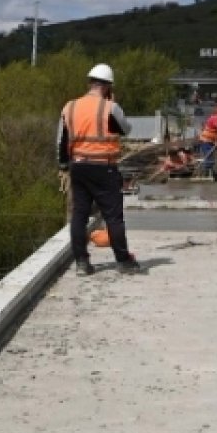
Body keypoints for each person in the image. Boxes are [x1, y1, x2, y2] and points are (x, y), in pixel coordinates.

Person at [57, 63, 140, 276]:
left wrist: (64, 165)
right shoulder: (110, 107)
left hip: (79, 167)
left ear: (90, 83)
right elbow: (126, 129)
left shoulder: (70, 107)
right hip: (104, 168)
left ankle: (82, 263)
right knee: (113, 216)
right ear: (107, 86)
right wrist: (114, 105)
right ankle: (123, 261)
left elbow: (61, 140)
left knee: (79, 214)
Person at [198, 104, 217, 174]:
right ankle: (207, 173)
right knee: (209, 157)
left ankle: (209, 172)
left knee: (210, 157)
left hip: (210, 141)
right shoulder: (215, 119)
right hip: (206, 140)